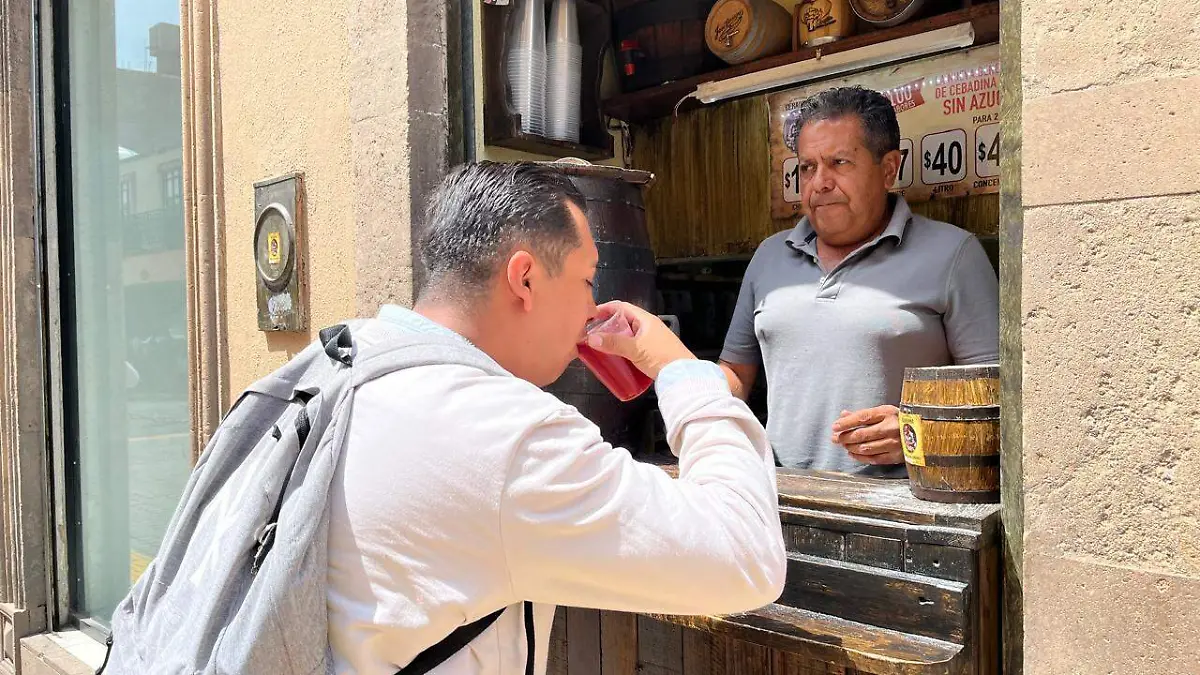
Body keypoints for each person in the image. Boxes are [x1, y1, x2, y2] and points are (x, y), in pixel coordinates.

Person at [327, 162, 787, 674]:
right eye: (588, 280)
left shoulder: (334, 365)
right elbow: (745, 555)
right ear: (524, 279)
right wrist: (681, 370)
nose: (592, 307)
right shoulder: (505, 437)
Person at [719, 86, 999, 477]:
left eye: (839, 163)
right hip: (780, 499)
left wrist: (914, 430)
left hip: (900, 513)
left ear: (888, 168)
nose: (820, 183)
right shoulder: (770, 256)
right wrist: (686, 391)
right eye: (807, 167)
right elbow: (736, 373)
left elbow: (997, 397)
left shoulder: (953, 255)